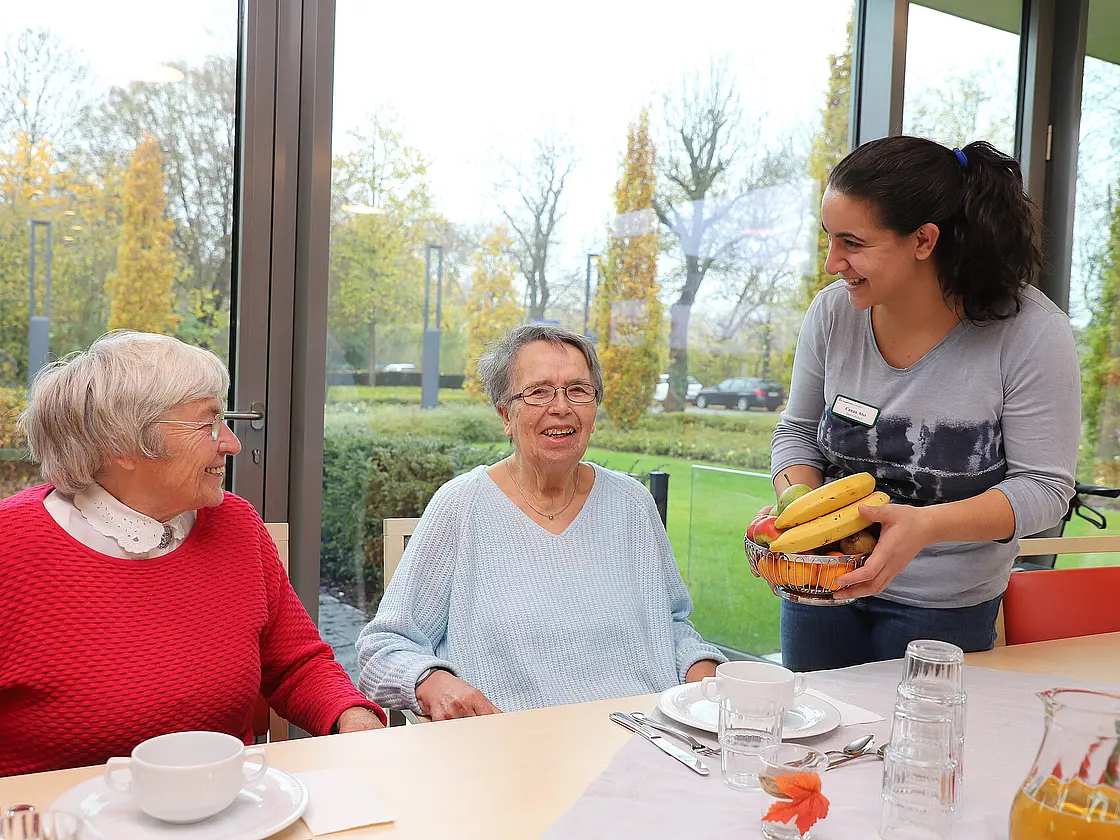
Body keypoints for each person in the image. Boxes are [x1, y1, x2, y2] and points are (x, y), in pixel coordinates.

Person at [0, 331, 385, 777]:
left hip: (223, 809)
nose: (232, 443)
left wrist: (355, 720)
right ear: (123, 443)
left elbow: (295, 664)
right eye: (208, 424)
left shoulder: (235, 523)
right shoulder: (12, 546)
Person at [770, 136, 1079, 671]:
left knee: (922, 748)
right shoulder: (832, 314)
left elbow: (1045, 489)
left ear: (923, 240)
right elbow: (797, 433)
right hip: (823, 588)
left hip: (944, 606)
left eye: (852, 243)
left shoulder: (1031, 331)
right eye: (828, 239)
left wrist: (926, 525)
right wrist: (800, 510)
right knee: (810, 748)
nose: (831, 263)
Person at [356, 324, 724, 720]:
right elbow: (384, 646)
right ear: (505, 416)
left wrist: (703, 673)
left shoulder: (633, 504)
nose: (561, 406)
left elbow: (670, 625)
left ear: (594, 410)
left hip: (644, 738)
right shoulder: (462, 506)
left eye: (578, 390)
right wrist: (433, 681)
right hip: (512, 748)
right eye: (539, 391)